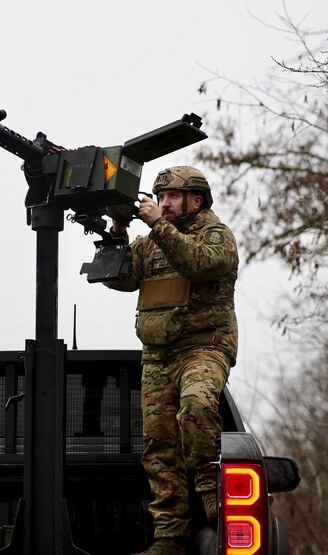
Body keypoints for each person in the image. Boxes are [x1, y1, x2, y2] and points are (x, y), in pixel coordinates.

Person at [102, 165, 238, 555]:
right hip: (158, 355)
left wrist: (157, 226)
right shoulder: (150, 243)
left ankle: (212, 490)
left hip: (204, 346)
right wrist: (117, 233)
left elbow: (199, 263)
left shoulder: (217, 236)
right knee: (158, 445)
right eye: (160, 198)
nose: (164, 204)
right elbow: (122, 279)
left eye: (173, 197)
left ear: (196, 200)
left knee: (196, 406)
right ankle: (170, 536)